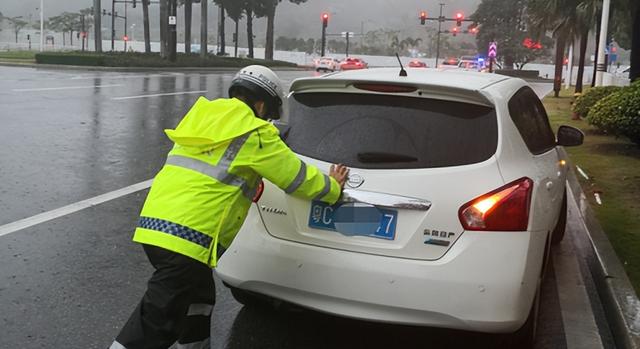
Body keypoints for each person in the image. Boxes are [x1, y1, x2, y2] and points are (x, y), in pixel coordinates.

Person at [110, 65, 350, 349]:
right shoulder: (255, 132)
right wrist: (333, 188)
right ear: (261, 103)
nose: (269, 120)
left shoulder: (205, 118)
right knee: (157, 320)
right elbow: (296, 178)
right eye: (270, 113)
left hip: (155, 227)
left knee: (199, 298)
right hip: (187, 239)